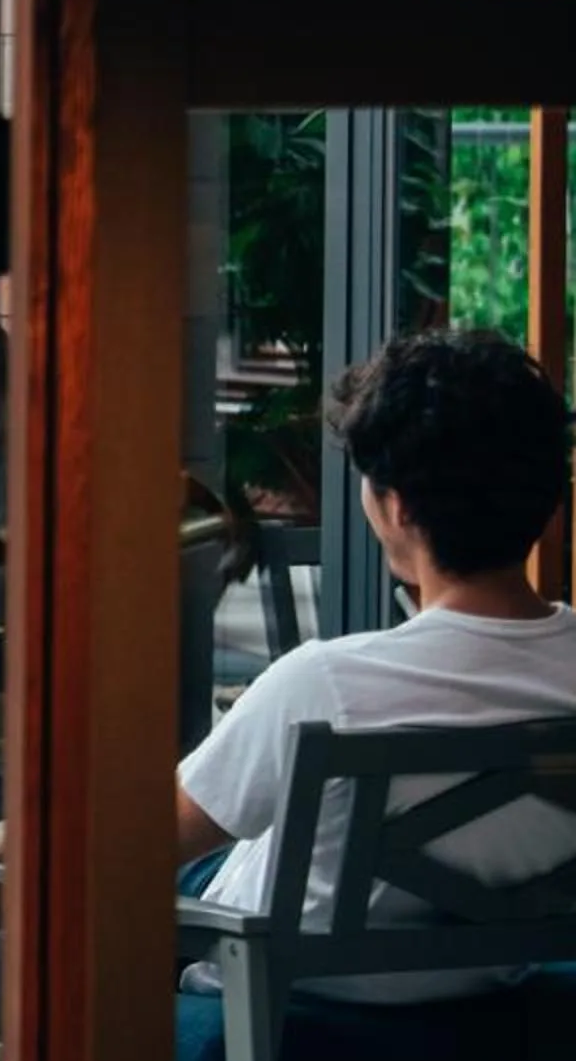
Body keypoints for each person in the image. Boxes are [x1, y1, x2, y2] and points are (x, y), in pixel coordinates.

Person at [174, 326, 576, 1003]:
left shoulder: (325, 685)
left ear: (399, 506)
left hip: (274, 1025)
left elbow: (138, 840)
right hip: (487, 1014)